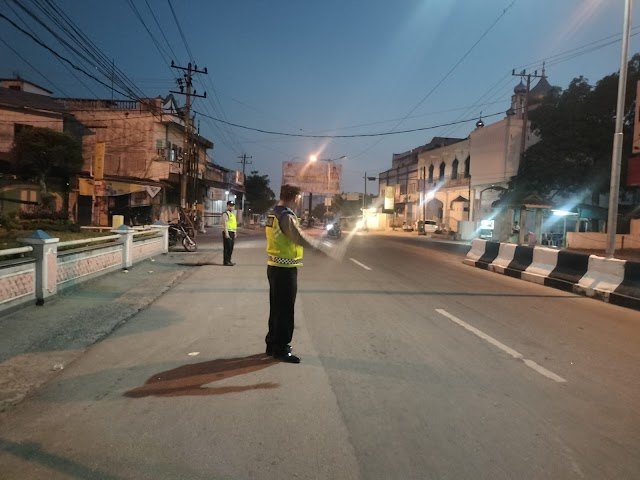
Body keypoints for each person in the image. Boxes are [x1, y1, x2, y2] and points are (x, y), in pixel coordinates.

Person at [264, 184, 325, 364]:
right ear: (295, 197)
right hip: (285, 269)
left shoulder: (273, 213)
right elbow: (297, 237)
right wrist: (318, 247)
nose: (300, 201)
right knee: (285, 311)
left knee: (276, 308)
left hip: (274, 266)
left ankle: (272, 344)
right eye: (300, 198)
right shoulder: (286, 216)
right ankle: (282, 348)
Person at [222, 200, 237, 266]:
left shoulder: (232, 214)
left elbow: (234, 224)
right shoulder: (226, 213)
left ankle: (229, 260)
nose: (231, 207)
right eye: (230, 206)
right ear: (227, 206)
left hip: (232, 232)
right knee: (227, 248)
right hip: (228, 232)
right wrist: (226, 233)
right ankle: (226, 261)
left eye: (232, 206)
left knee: (231, 247)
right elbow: (225, 223)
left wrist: (235, 232)